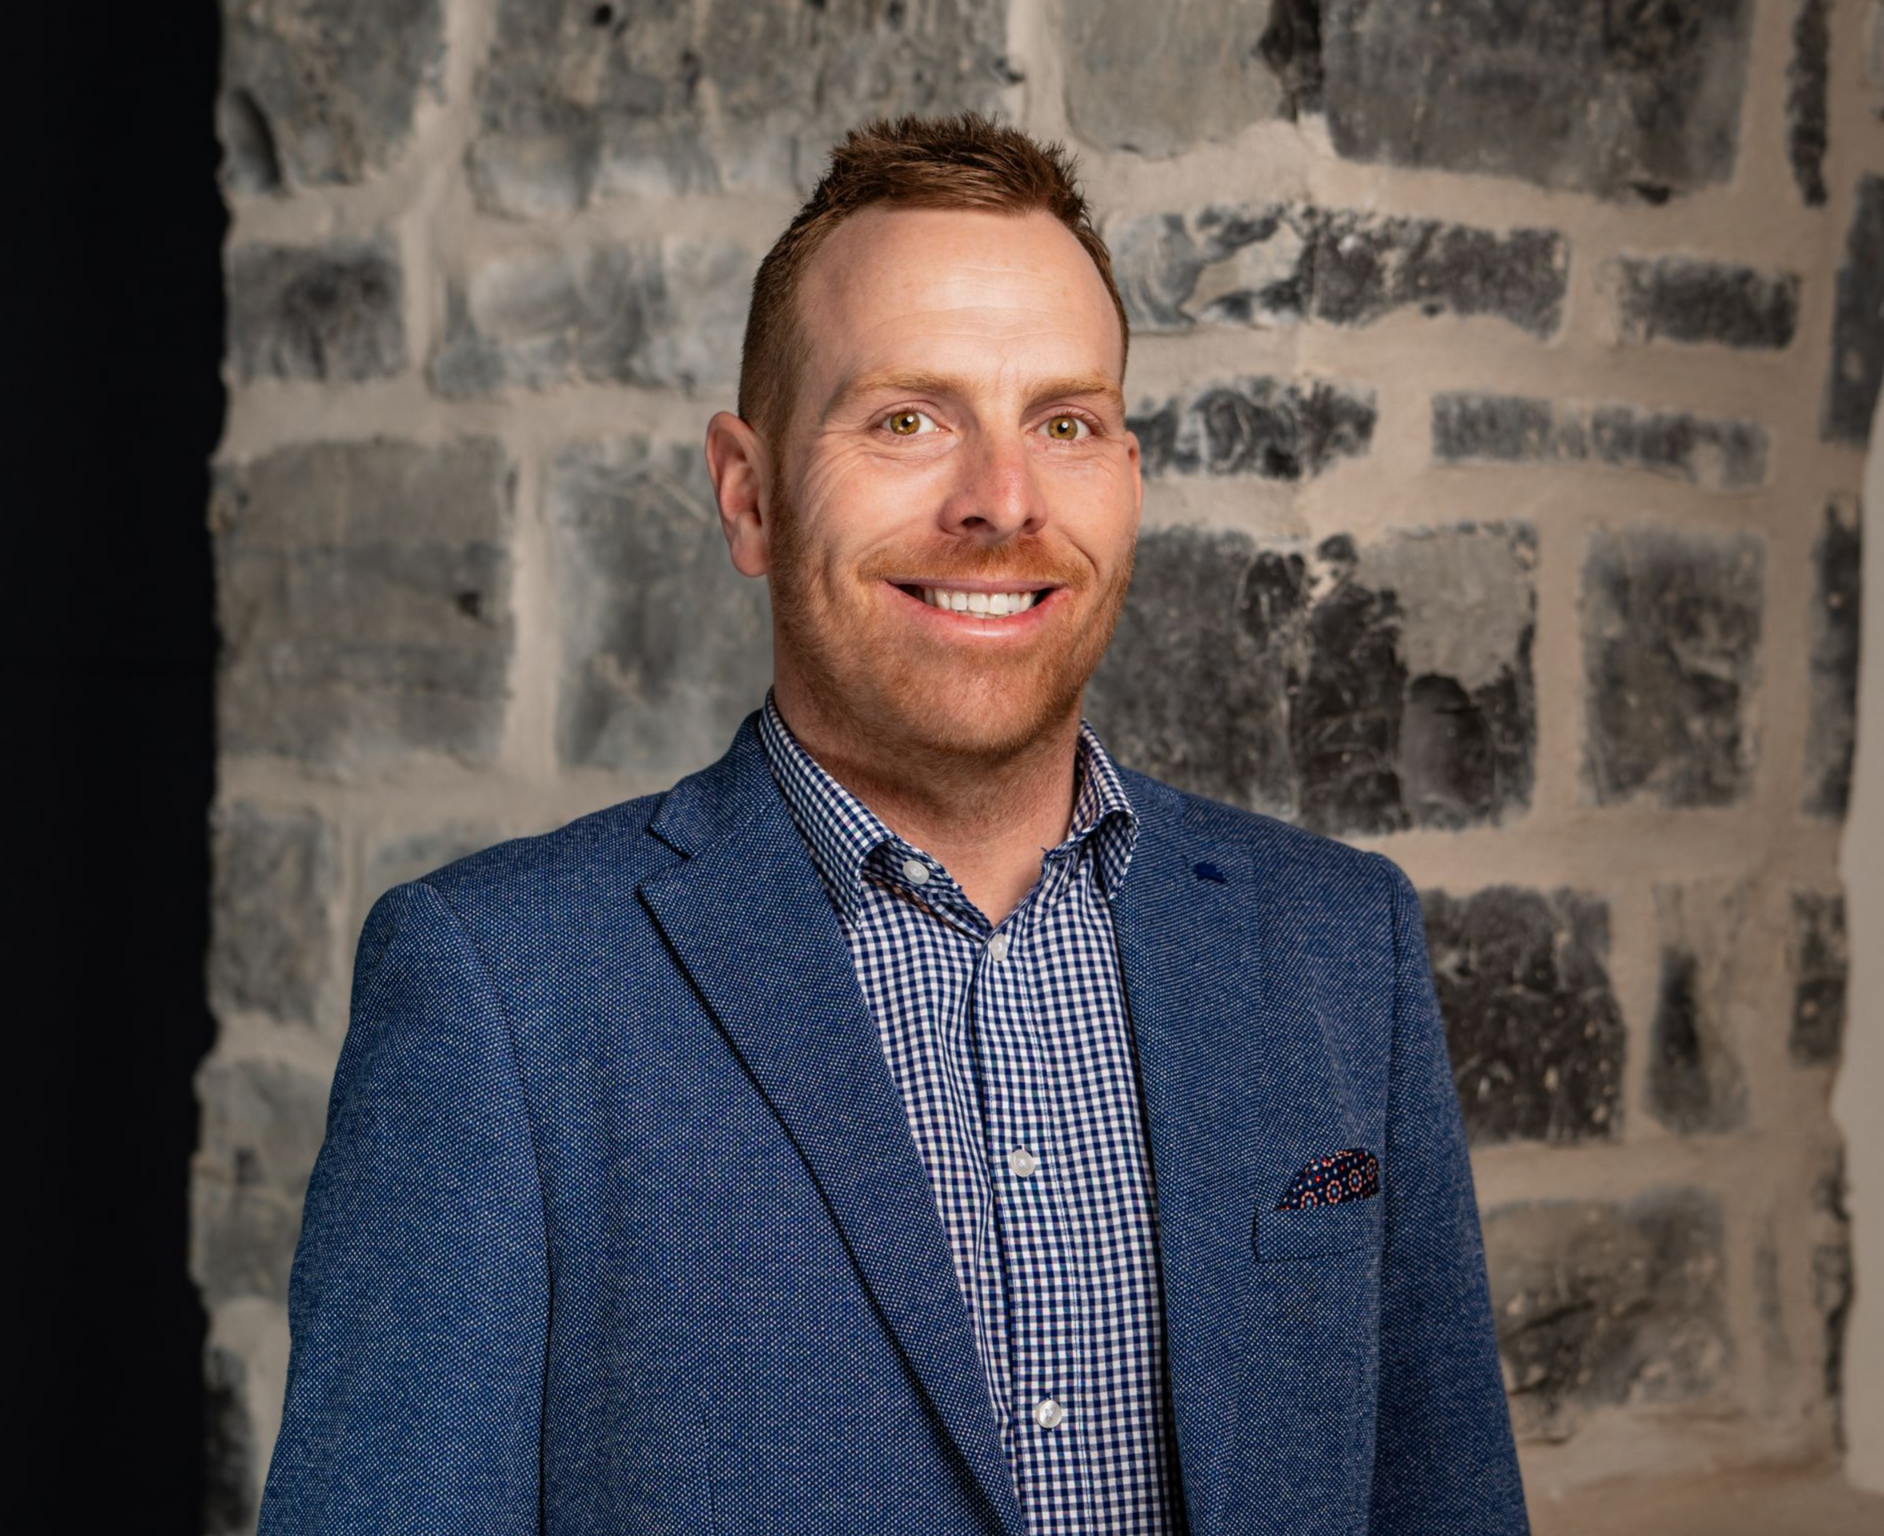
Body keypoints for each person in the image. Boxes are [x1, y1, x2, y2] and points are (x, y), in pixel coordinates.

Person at [256, 112, 1530, 1536]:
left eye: (1065, 422)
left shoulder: (1334, 944)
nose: (1002, 502)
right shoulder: (500, 992)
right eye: (907, 420)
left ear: (1130, 476)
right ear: (748, 492)